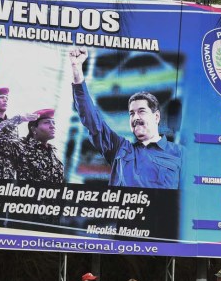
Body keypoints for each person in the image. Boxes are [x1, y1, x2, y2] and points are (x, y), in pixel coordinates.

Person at [69, 47, 183, 190]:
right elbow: (92, 120)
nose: (135, 117)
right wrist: (77, 72)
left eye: (141, 111)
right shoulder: (120, 149)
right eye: (131, 113)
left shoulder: (180, 154)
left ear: (156, 116)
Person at [0, 109, 64, 183]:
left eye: (53, 123)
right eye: (47, 123)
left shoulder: (54, 152)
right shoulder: (22, 146)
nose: (53, 126)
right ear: (34, 129)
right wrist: (19, 119)